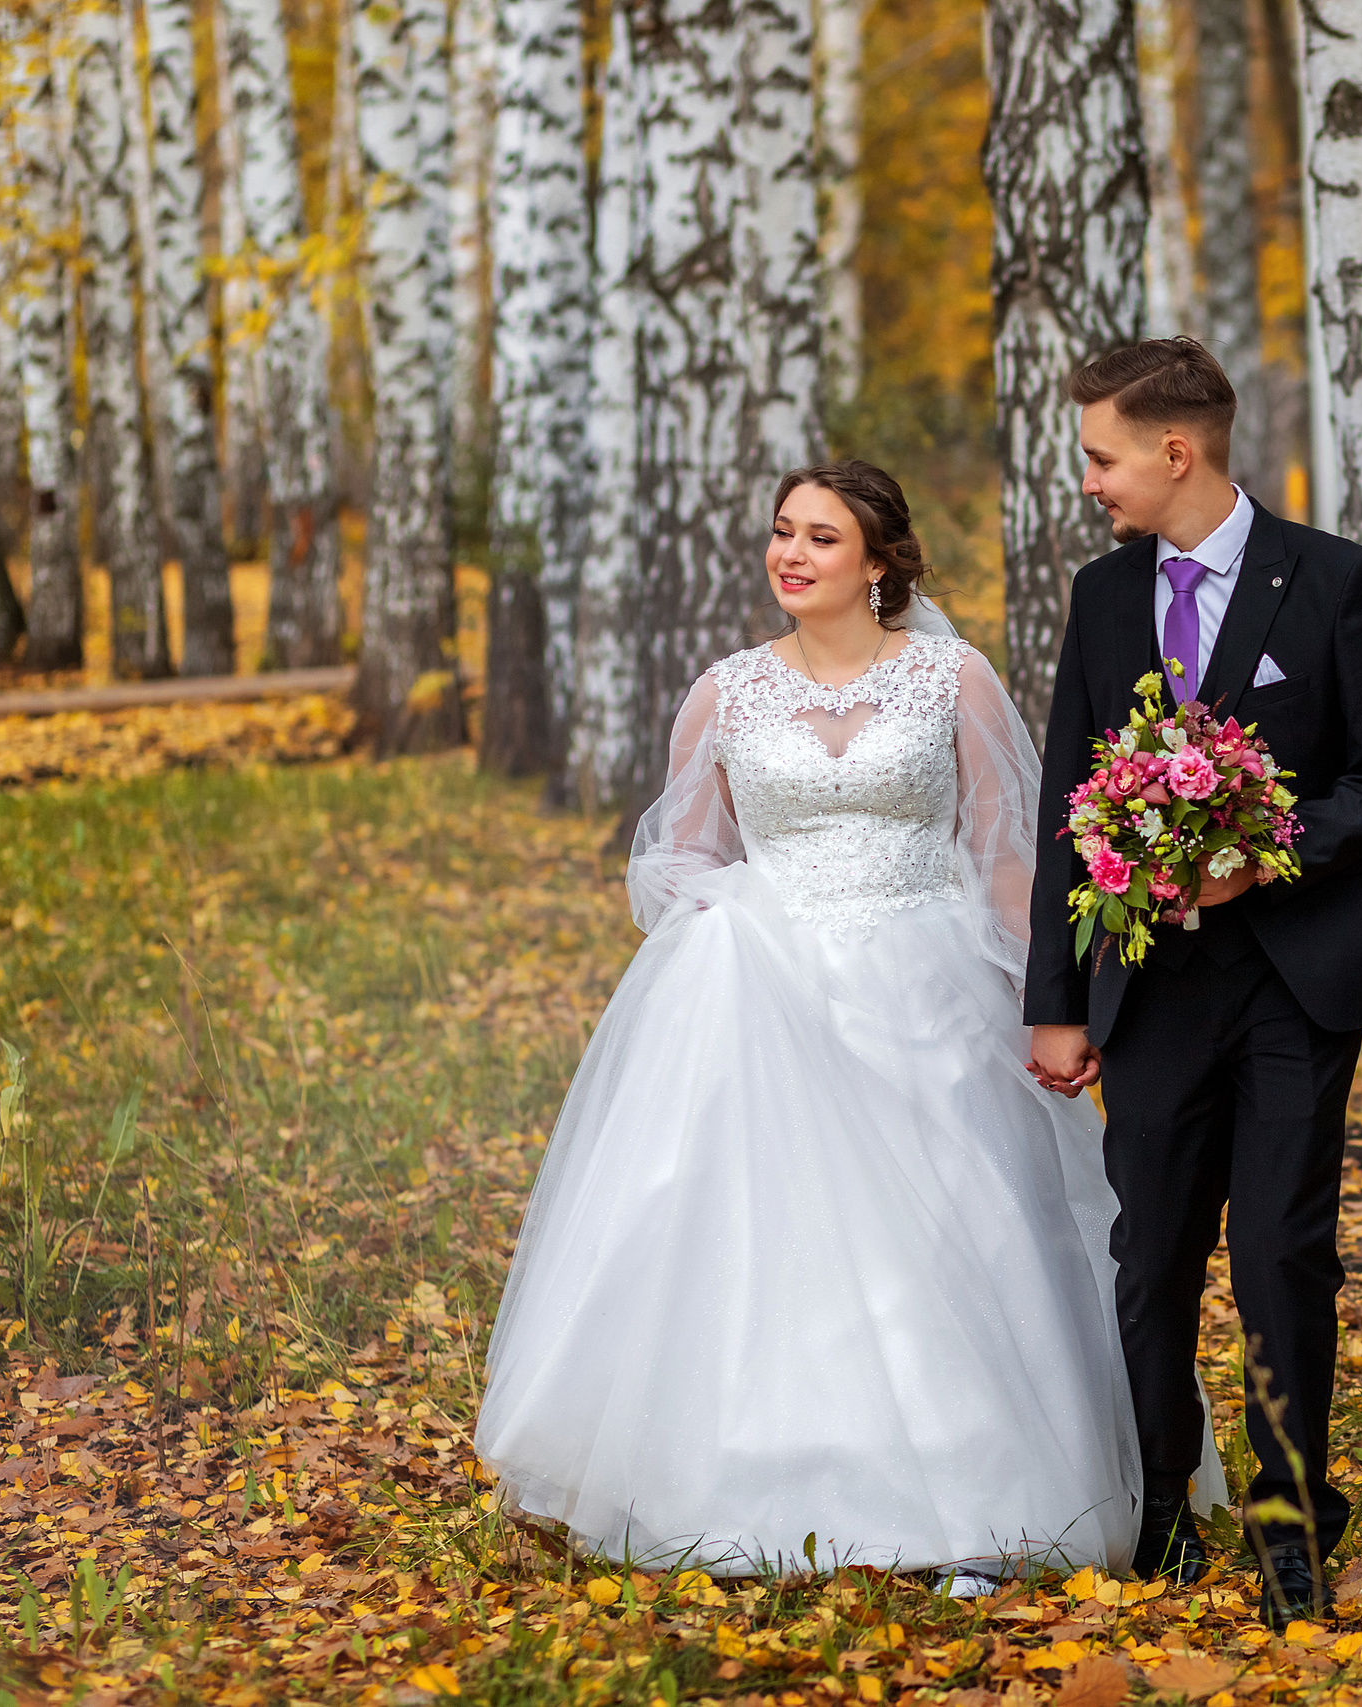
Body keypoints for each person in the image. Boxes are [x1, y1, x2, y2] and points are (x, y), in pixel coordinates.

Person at [475, 461, 1220, 1588]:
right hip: (762, 990)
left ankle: (984, 1509)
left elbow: (1007, 855)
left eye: (821, 538)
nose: (792, 554)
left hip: (931, 981)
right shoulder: (724, 692)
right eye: (782, 532)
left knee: (955, 1234)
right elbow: (676, 852)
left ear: (877, 563)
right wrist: (726, 909)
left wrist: (1048, 1003)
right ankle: (750, 1487)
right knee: (773, 1240)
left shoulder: (951, 679)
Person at [1023, 339, 1362, 1630]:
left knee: (1277, 1253)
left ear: (1175, 451)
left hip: (1295, 979)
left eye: (1101, 455)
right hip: (1149, 984)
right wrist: (1055, 997)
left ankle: (1291, 1518)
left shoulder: (1338, 582)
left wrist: (1262, 854)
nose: (1090, 479)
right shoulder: (1102, 597)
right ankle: (1158, 1502)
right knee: (1151, 1257)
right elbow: (1065, 800)